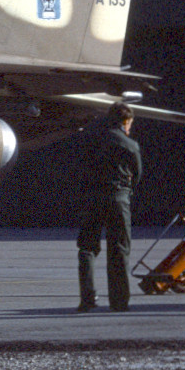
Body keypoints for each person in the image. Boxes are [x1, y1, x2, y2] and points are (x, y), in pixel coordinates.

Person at [76, 101, 141, 311]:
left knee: (87, 248)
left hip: (92, 197)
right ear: (125, 122)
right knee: (119, 250)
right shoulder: (129, 145)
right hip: (118, 199)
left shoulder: (89, 138)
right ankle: (119, 301)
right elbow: (137, 174)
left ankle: (87, 299)